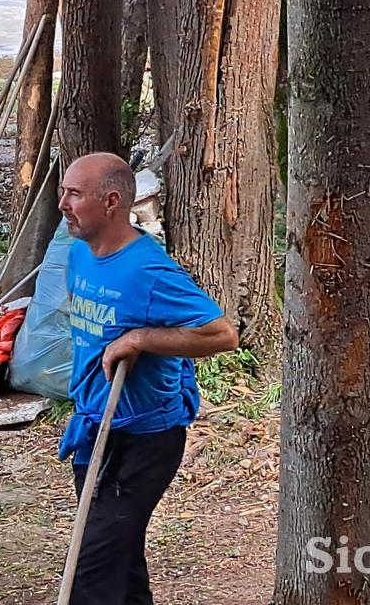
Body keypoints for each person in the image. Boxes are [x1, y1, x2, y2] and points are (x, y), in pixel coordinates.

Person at [57, 152, 239, 605]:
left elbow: (221, 334)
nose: (62, 203)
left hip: (144, 439)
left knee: (92, 567)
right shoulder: (78, 256)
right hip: (93, 428)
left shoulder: (149, 270)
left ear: (112, 202)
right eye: (64, 191)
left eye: (74, 194)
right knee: (123, 565)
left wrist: (141, 338)